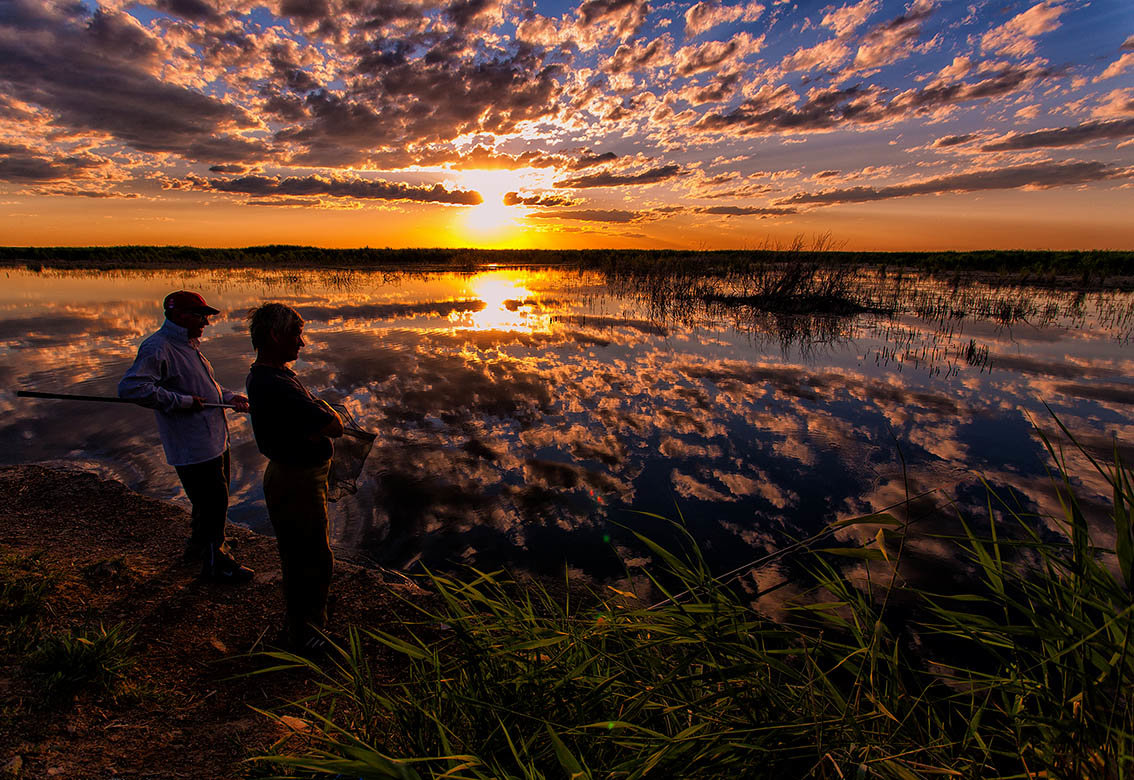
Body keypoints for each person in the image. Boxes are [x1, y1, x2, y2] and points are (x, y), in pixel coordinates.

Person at [118, 290, 254, 583]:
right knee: (213, 503)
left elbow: (206, 388)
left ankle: (199, 547)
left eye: (205, 315)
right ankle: (219, 564)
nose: (206, 321)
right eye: (200, 315)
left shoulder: (190, 346)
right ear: (179, 316)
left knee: (210, 502)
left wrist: (230, 398)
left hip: (215, 440)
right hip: (193, 446)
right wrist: (180, 401)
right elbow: (131, 388)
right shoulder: (158, 347)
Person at [244, 303, 343, 654]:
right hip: (296, 481)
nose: (301, 343)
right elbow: (335, 425)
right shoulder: (278, 384)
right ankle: (307, 635)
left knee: (301, 553)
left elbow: (315, 421)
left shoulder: (267, 375)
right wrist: (322, 419)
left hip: (294, 477)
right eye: (296, 335)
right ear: (274, 336)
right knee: (311, 557)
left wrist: (314, 422)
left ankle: (305, 623)